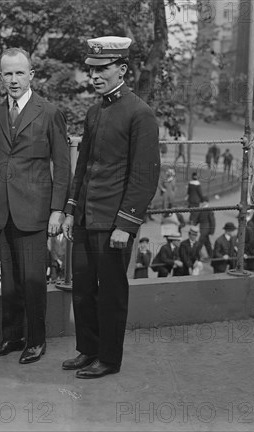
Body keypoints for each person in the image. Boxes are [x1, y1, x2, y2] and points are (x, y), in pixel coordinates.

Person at [61, 36, 160, 379]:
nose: (95, 76)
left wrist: (126, 224)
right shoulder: (94, 110)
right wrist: (72, 209)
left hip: (114, 222)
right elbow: (84, 164)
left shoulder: (140, 113)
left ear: (122, 69)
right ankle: (88, 349)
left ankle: (109, 358)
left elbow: (145, 176)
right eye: (92, 70)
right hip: (88, 217)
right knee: (84, 289)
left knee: (112, 294)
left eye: (102, 69)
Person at [0, 47, 70, 365]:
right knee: (8, 280)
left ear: (31, 75)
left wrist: (57, 210)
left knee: (34, 280)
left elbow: (62, 166)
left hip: (35, 213)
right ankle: (12, 336)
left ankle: (36, 340)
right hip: (1, 211)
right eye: (7, 73)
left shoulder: (48, 112)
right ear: (0, 77)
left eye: (20, 72)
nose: (13, 79)